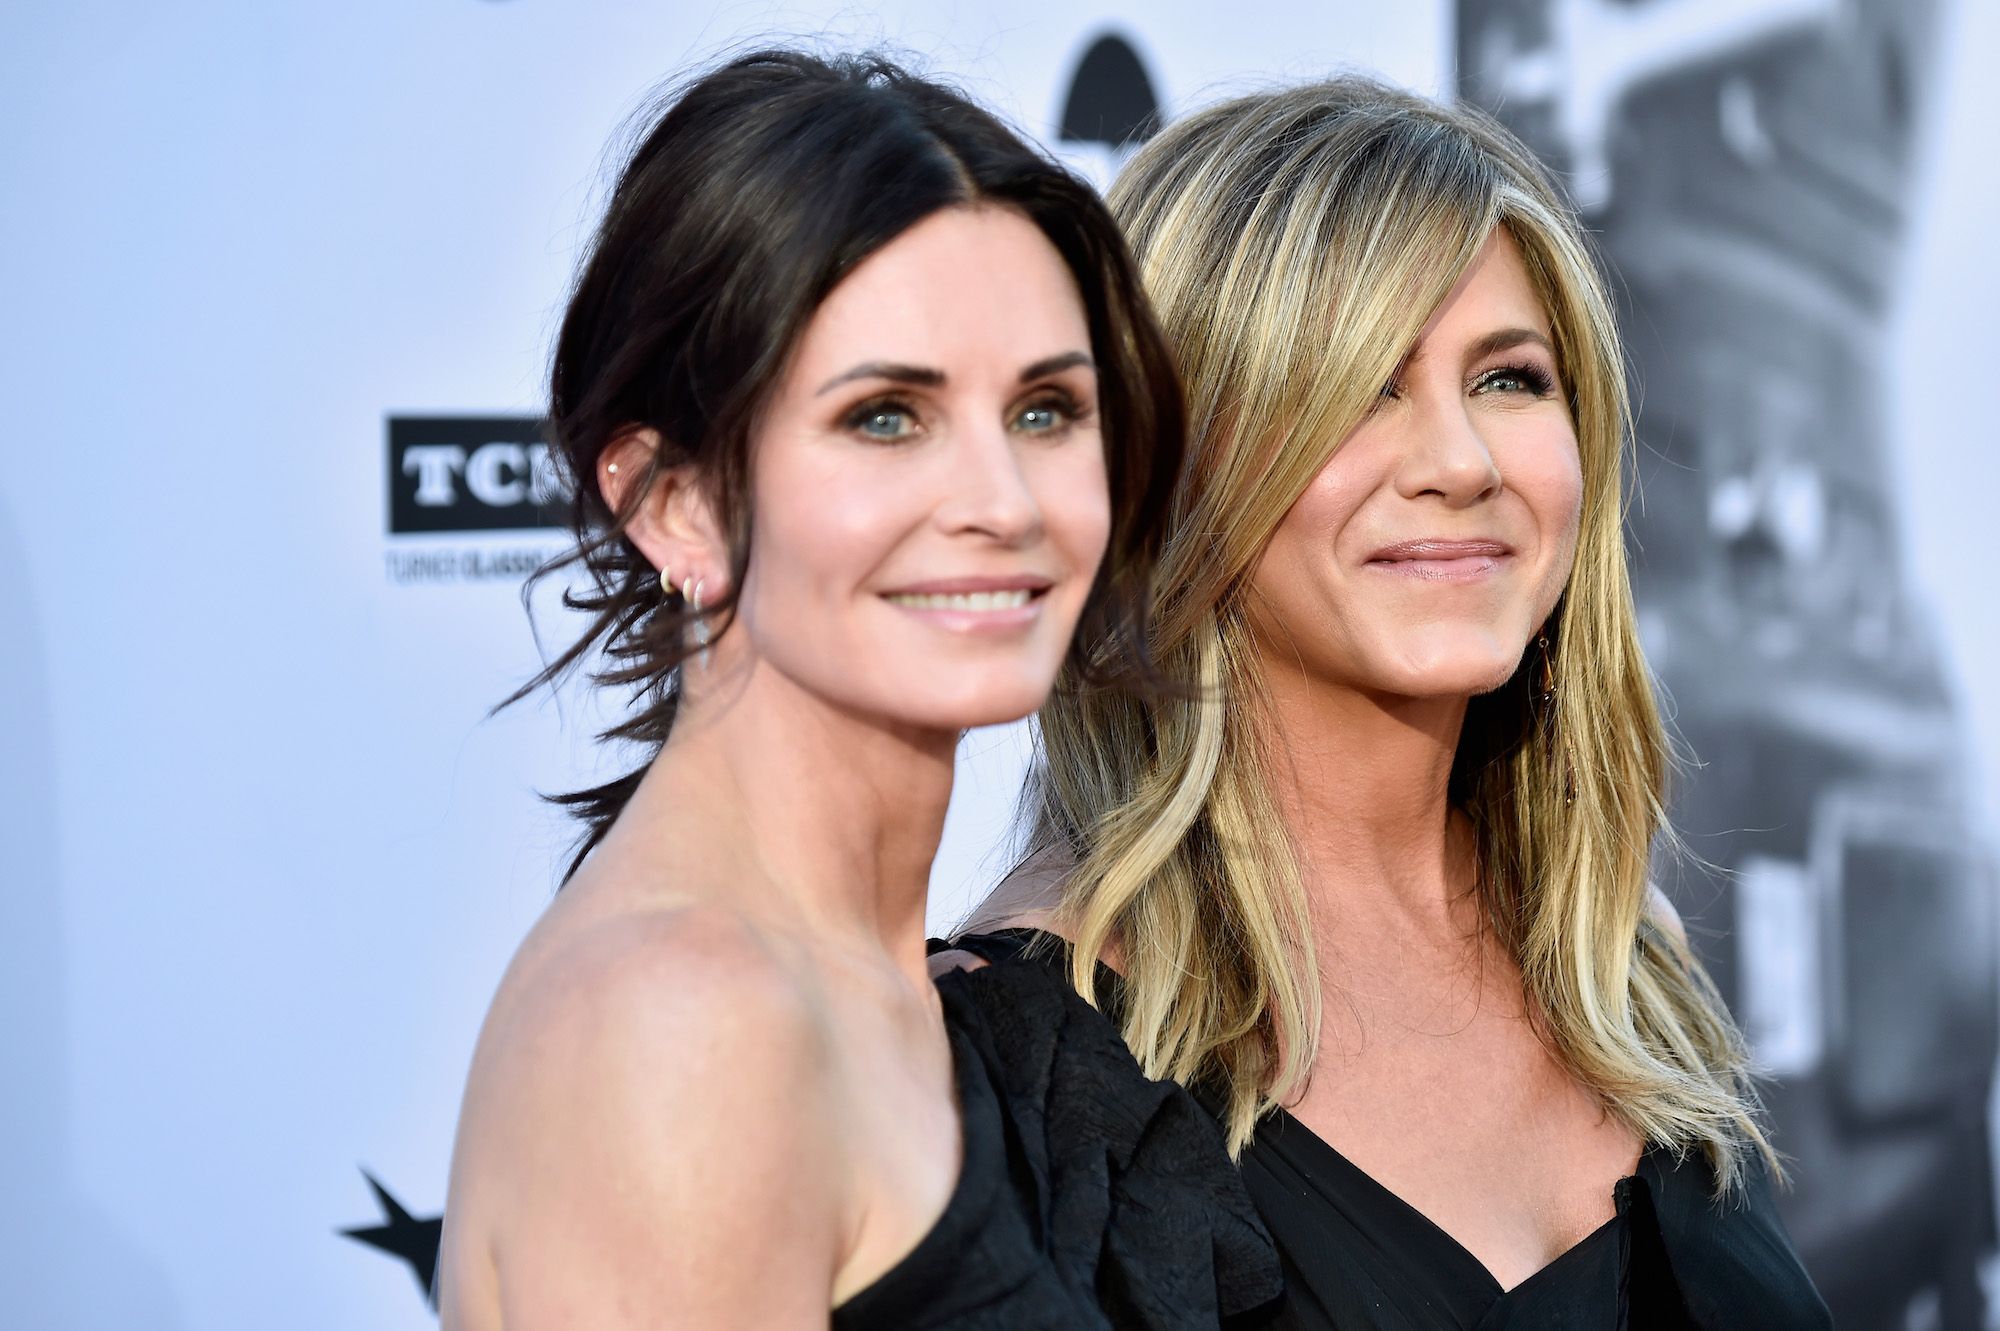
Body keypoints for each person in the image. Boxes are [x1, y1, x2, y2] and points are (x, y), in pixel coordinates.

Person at [946, 77, 1829, 1326]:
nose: (1459, 462)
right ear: (1167, 466)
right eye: (1364, 382)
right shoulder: (1012, 1062)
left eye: (1508, 378)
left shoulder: (1624, 961)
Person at [435, 50, 1280, 1331]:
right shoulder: (683, 1025)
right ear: (674, 502)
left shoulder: (898, 982)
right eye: (885, 415)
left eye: (1046, 410)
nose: (1001, 500)